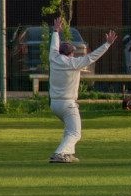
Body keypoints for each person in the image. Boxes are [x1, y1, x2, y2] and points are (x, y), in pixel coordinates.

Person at [48, 17, 117, 163]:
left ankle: (68, 154)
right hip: (67, 105)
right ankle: (59, 153)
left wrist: (55, 31)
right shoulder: (74, 63)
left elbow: (53, 46)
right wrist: (107, 44)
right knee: (75, 132)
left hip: (54, 104)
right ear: (71, 53)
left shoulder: (53, 58)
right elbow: (93, 57)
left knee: (69, 129)